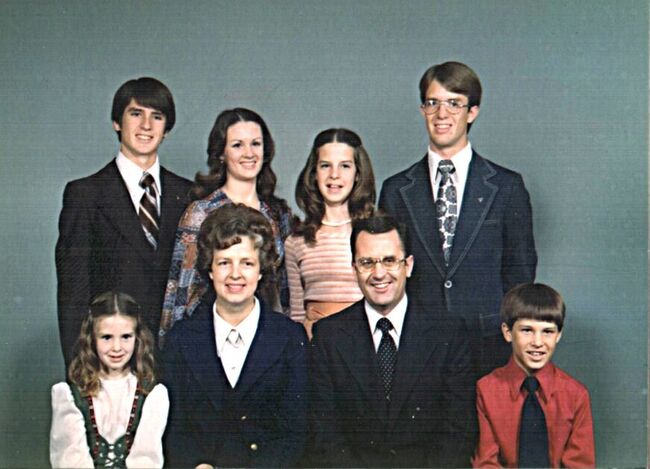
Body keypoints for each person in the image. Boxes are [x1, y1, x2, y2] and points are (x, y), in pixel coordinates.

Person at [379, 61, 537, 378]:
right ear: (422, 109)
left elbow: (520, 270)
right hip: (418, 344)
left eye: (454, 103)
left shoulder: (506, 187)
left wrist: (504, 328)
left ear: (473, 111)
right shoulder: (396, 189)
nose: (442, 114)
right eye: (433, 103)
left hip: (489, 343)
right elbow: (388, 268)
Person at [309, 213, 475, 467]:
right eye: (367, 262)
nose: (378, 273)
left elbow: (457, 433)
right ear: (354, 269)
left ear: (408, 266)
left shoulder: (449, 333)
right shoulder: (328, 336)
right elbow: (326, 436)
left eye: (389, 261)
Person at [56, 77, 192, 365]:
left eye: (157, 116)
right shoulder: (85, 194)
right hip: (112, 358)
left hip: (178, 358)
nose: (146, 125)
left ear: (166, 129)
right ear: (117, 122)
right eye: (136, 114)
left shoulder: (189, 194)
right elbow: (73, 293)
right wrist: (80, 369)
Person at [163, 204, 308, 468]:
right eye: (224, 262)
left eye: (247, 263)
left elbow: (296, 432)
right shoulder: (181, 340)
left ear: (262, 269)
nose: (235, 274)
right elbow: (172, 427)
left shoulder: (289, 339)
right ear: (209, 269)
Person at [160, 108, 292, 340]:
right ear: (221, 153)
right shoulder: (201, 212)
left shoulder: (278, 213)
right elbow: (180, 292)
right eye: (237, 145)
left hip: (267, 339)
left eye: (256, 144)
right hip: (211, 338)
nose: (249, 153)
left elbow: (284, 293)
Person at [472, 284, 595, 468]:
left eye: (547, 332)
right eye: (527, 330)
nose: (537, 342)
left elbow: (580, 465)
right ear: (508, 333)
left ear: (558, 335)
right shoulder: (487, 389)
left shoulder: (576, 395)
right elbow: (486, 463)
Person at [50, 291, 169, 468]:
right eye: (106, 337)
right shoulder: (70, 395)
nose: (116, 348)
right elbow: (71, 460)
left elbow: (146, 459)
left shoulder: (152, 395)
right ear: (91, 339)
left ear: (137, 339)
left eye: (126, 337)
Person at [285, 128, 376, 338]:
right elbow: (297, 315)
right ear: (314, 174)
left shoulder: (373, 234)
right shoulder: (296, 241)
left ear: (358, 174)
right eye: (325, 166)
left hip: (364, 346)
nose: (334, 175)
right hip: (316, 350)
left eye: (345, 166)